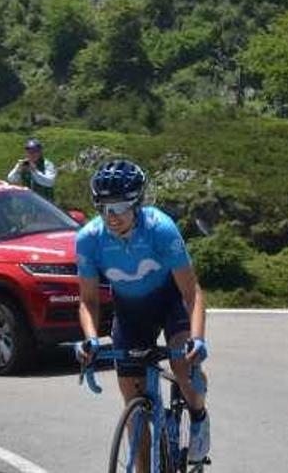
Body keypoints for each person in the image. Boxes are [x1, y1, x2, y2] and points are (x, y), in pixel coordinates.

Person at [74, 159, 211, 464]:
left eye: (121, 207)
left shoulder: (160, 229)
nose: (112, 216)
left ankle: (199, 416)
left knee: (182, 366)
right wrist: (90, 339)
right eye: (105, 208)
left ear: (137, 205)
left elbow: (192, 292)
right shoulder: (88, 240)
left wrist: (197, 340)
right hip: (130, 314)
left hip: (169, 303)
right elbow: (88, 301)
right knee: (133, 406)